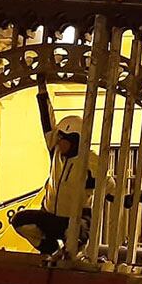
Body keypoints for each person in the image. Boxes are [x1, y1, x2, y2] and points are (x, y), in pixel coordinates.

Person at [13, 80, 90, 257]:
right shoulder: (55, 152)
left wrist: (126, 198)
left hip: (72, 221)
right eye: (59, 139)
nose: (60, 144)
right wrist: (42, 91)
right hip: (50, 215)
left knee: (76, 235)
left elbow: (108, 186)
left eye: (64, 140)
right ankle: (51, 249)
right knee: (20, 221)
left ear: (75, 141)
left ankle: (71, 253)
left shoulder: (89, 163)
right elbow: (48, 122)